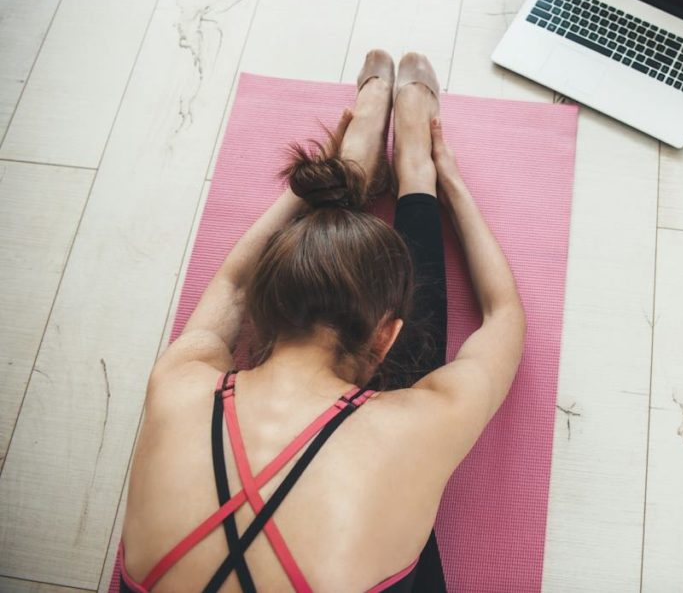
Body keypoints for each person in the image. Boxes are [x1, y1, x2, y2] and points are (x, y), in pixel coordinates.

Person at [117, 50, 526, 592]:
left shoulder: (179, 382)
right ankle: (413, 180)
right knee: (396, 447)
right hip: (389, 411)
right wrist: (445, 181)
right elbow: (504, 314)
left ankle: (359, 171)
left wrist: (323, 179)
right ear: (388, 336)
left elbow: (232, 284)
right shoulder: (418, 422)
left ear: (263, 311)